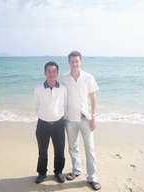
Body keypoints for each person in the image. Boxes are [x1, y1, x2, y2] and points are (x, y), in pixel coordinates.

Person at [60, 51, 101, 190]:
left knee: (89, 149)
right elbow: (62, 100)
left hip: (86, 119)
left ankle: (92, 177)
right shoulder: (64, 79)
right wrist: (62, 117)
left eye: (77, 61)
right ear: (69, 62)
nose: (74, 63)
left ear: (80, 62)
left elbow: (93, 98)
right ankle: (76, 170)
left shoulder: (88, 77)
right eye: (72, 61)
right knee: (73, 148)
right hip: (70, 119)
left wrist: (93, 117)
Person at [33, 61, 67, 184]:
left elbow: (65, 105)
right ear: (45, 73)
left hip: (58, 124)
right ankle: (42, 173)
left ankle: (58, 172)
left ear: (57, 73)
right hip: (42, 124)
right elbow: (36, 106)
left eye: (54, 71)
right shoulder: (38, 88)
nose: (51, 73)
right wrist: (45, 116)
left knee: (60, 151)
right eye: (49, 71)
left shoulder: (63, 88)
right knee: (42, 151)